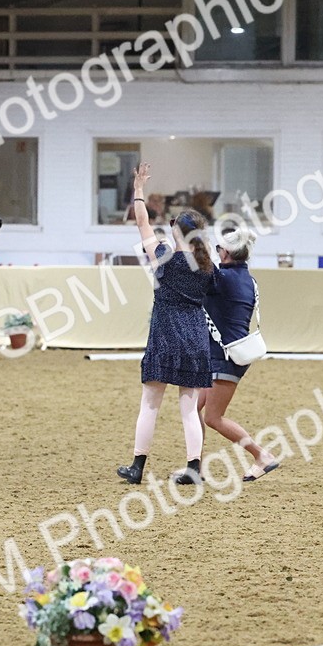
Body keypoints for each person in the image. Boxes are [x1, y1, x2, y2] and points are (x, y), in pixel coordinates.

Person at [116, 163, 215, 487]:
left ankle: (137, 466)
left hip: (165, 336)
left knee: (150, 404)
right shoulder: (207, 267)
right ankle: (194, 468)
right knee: (189, 409)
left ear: (176, 232)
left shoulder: (162, 256)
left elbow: (142, 221)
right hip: (195, 338)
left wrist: (139, 188)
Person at [200, 228, 280, 481]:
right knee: (192, 409)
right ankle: (194, 466)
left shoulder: (222, 279)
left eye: (218, 249)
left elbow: (195, 266)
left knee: (213, 417)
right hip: (226, 353)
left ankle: (261, 455)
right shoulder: (247, 279)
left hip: (225, 356)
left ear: (225, 253)